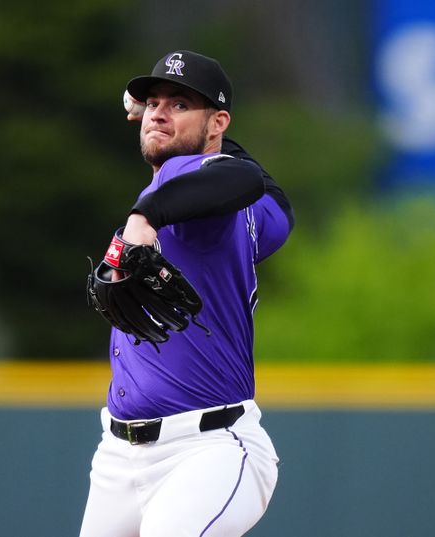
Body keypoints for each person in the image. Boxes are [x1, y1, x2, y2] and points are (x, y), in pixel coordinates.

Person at [80, 50, 294, 537]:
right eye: (152, 102)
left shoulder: (191, 186)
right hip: (118, 458)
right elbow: (276, 198)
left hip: (208, 451)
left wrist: (144, 216)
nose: (158, 111)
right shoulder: (250, 213)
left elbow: (236, 175)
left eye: (179, 104)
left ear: (218, 123)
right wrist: (194, 129)